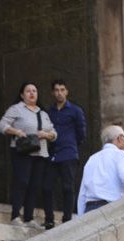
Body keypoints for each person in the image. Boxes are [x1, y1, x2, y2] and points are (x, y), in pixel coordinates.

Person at [0, 81, 57, 225]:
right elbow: (2, 125)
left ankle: (29, 217)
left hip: (41, 153)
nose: (32, 93)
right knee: (22, 182)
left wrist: (46, 135)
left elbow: (54, 133)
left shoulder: (43, 113)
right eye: (28, 91)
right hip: (22, 151)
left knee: (34, 185)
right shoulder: (16, 109)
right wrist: (17, 131)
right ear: (22, 95)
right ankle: (15, 216)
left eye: (34, 91)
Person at [43, 79, 87, 229]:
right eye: (56, 90)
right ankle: (49, 219)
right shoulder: (49, 112)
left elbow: (81, 133)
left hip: (68, 153)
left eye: (62, 89)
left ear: (67, 91)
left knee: (68, 187)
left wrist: (71, 144)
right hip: (53, 154)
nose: (59, 93)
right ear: (52, 93)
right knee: (47, 186)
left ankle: (67, 219)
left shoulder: (75, 110)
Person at [76, 125, 124, 215]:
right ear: (119, 138)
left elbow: (83, 192)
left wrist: (81, 218)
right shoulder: (120, 154)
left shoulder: (92, 159)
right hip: (110, 209)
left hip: (90, 210)